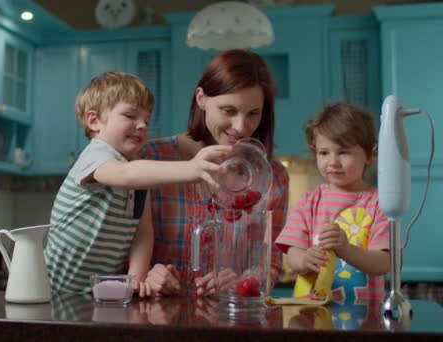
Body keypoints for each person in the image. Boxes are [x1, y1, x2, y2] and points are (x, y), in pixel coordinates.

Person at [44, 71, 232, 296]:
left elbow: (143, 234)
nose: (142, 125)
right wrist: (191, 168)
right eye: (131, 116)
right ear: (94, 121)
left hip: (95, 293)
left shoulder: (137, 171)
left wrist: (135, 279)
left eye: (146, 119)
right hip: (51, 288)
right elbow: (125, 174)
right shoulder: (96, 154)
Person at [141, 49, 290, 296]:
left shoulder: (273, 177)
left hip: (228, 324)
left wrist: (243, 283)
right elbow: (118, 248)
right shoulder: (151, 159)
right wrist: (147, 275)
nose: (241, 127)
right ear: (201, 98)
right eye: (228, 111)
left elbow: (270, 263)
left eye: (253, 113)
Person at [274, 102, 390, 301]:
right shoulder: (309, 202)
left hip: (364, 316)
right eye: (324, 153)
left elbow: (384, 263)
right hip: (310, 311)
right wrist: (304, 259)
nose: (333, 162)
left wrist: (346, 250)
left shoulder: (379, 203)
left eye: (343, 152)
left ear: (370, 155)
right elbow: (292, 253)